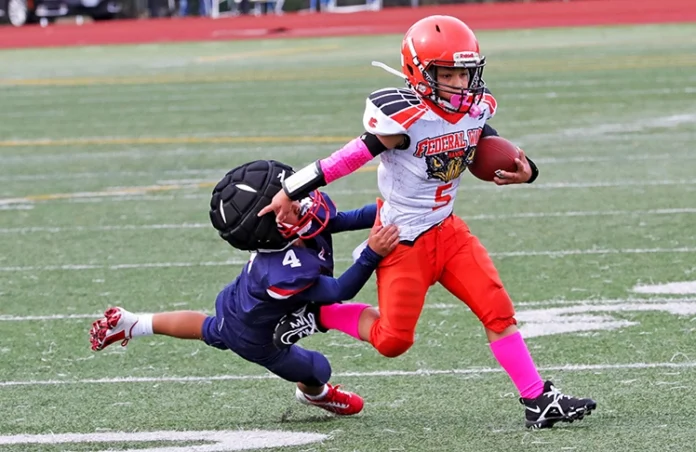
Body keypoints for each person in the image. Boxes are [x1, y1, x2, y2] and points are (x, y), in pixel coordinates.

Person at [260, 15, 597, 429]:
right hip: (400, 239)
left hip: (449, 232)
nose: (459, 84)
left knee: (498, 311)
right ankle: (320, 315)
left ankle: (537, 399)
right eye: (447, 74)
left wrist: (529, 171)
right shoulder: (402, 118)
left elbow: (485, 139)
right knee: (392, 341)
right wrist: (289, 190)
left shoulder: (474, 108)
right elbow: (345, 160)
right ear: (420, 73)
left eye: (464, 73)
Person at [89, 159, 400, 416]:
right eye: (289, 202)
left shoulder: (295, 220)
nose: (298, 200)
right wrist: (371, 254)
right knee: (319, 368)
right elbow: (338, 291)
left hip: (249, 305)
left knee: (210, 328)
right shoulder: (282, 271)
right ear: (271, 229)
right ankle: (314, 394)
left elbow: (342, 220)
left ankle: (136, 323)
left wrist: (398, 209)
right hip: (255, 335)